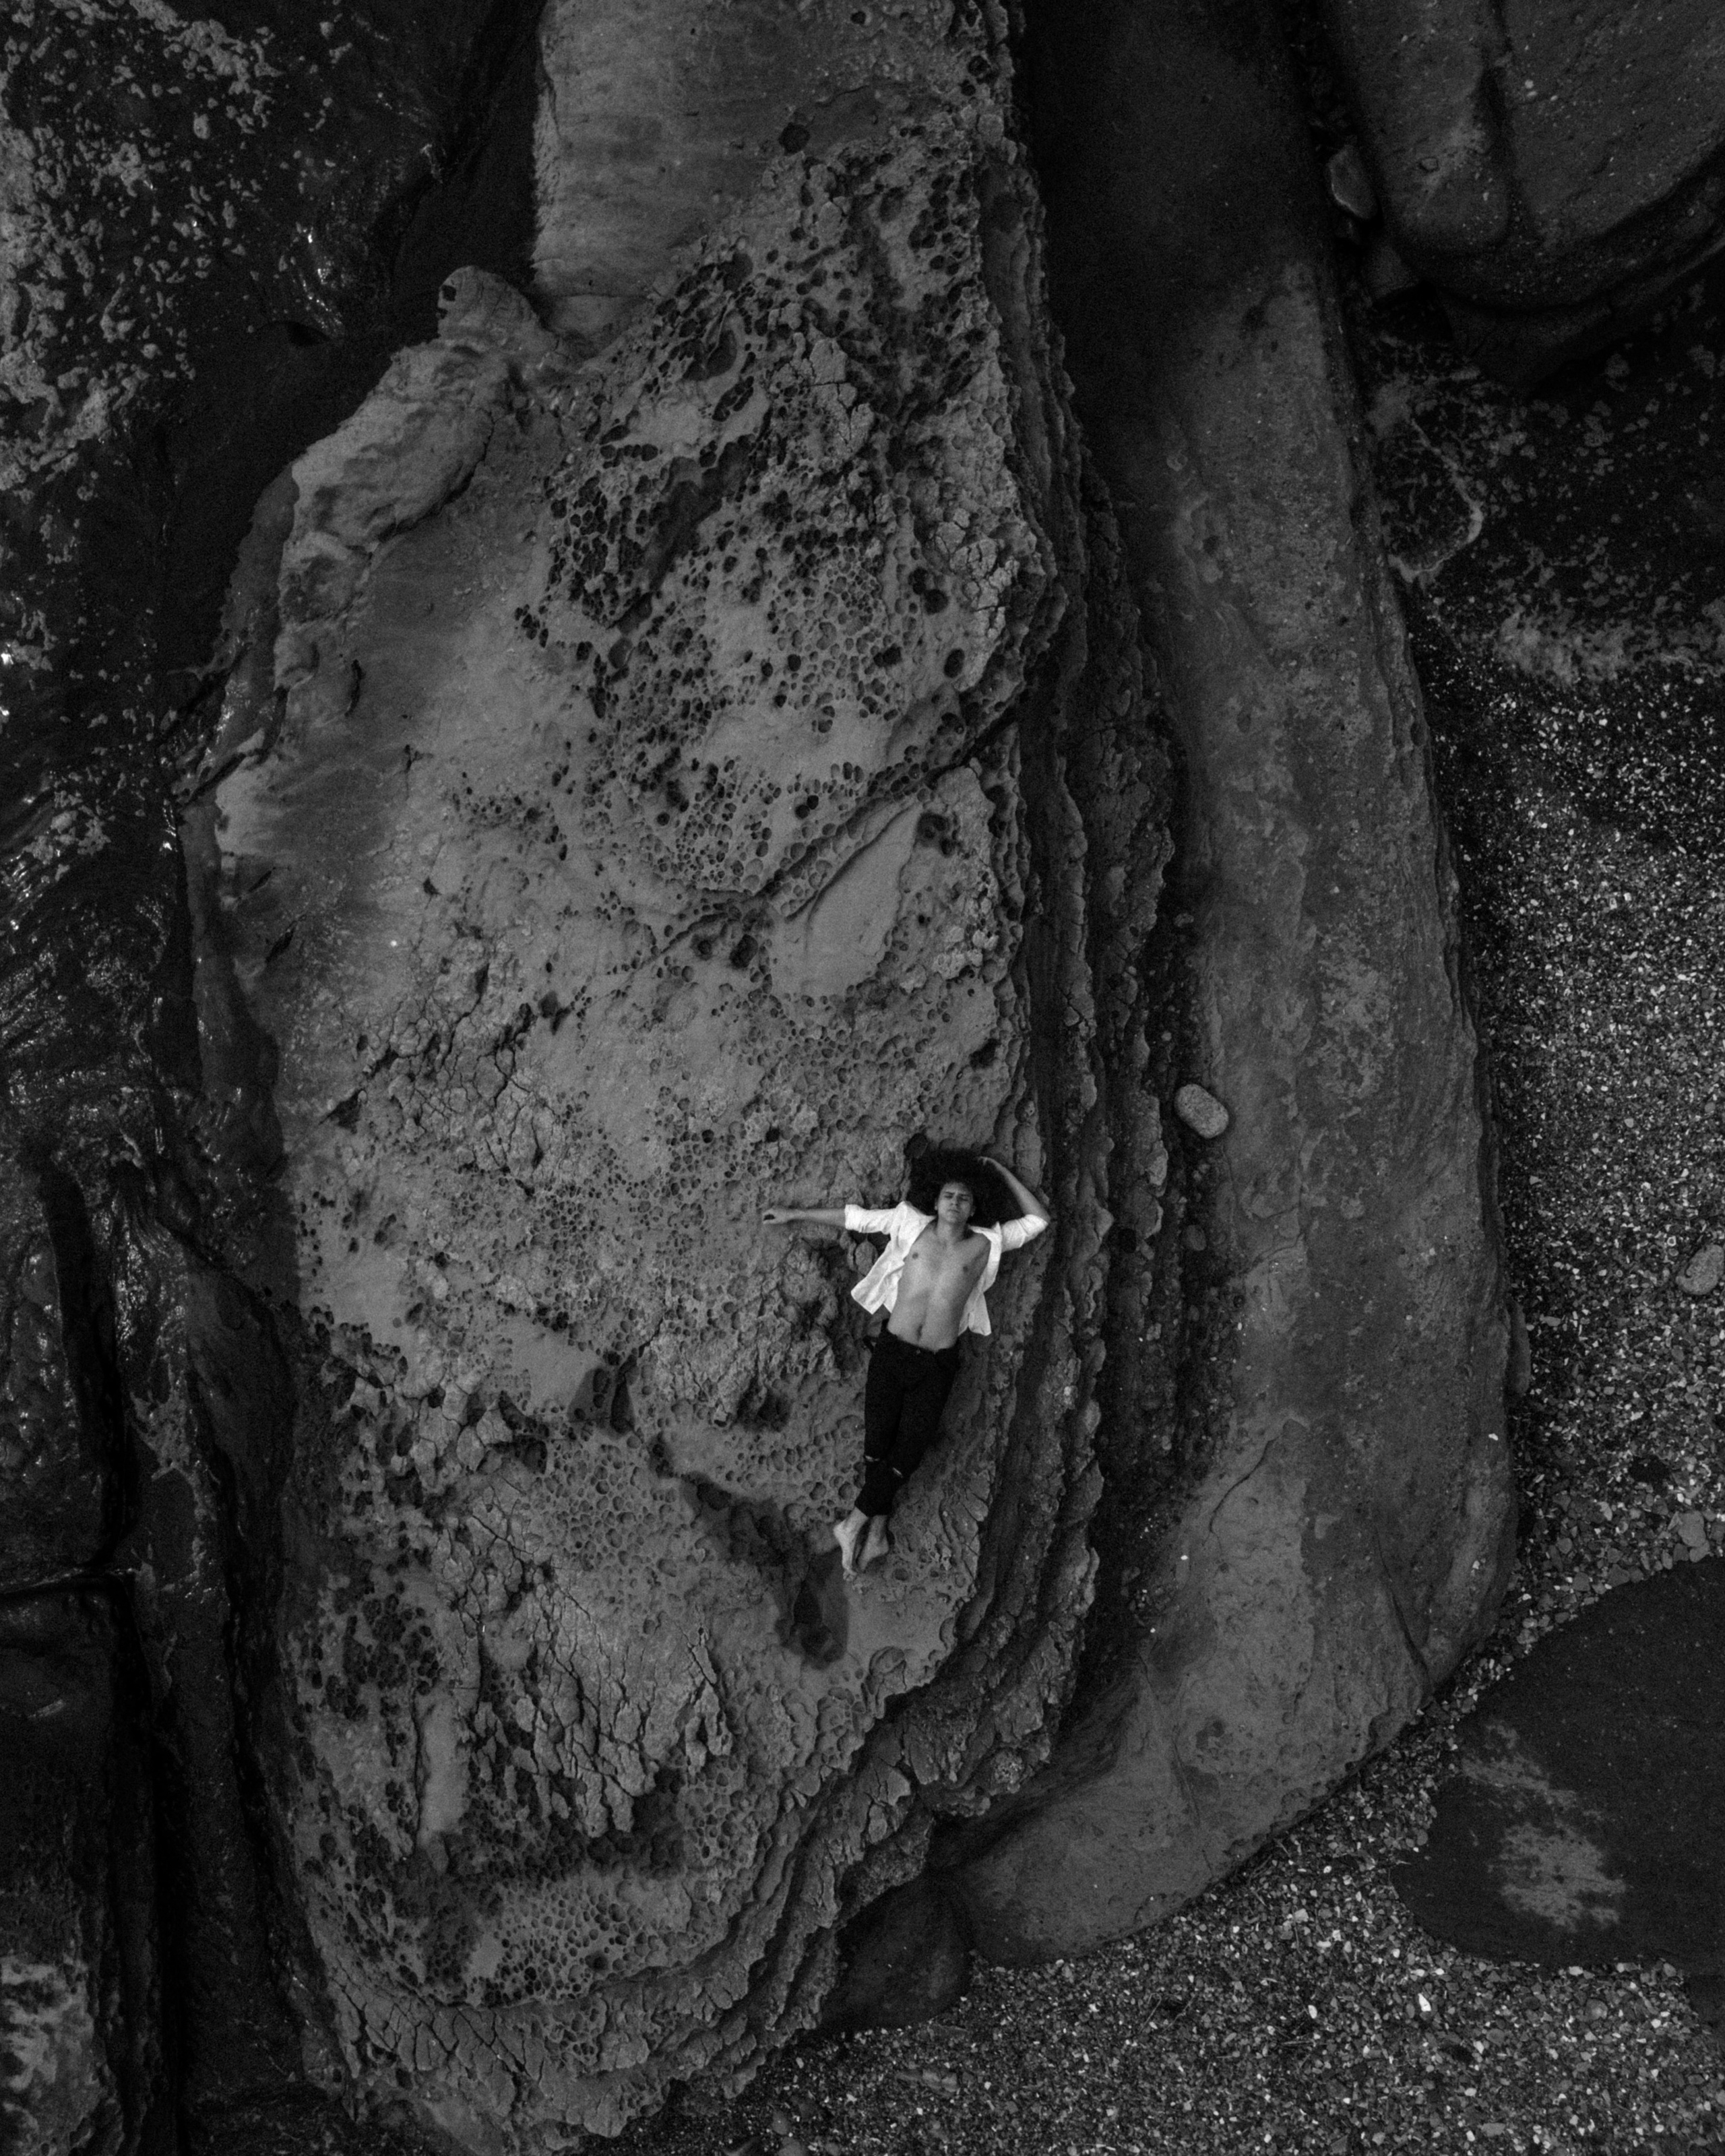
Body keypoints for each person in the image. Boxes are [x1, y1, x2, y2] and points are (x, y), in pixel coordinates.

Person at [763, 1148, 1051, 1577]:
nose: (955, 1203)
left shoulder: (986, 1245)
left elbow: (1038, 1221)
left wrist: (1004, 1173)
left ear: (975, 1208)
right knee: (878, 1451)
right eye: (948, 1196)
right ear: (934, 1202)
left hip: (938, 1364)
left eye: (964, 1199)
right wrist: (792, 1213)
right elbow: (855, 1218)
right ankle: (875, 1536)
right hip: (892, 1352)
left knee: (907, 1455)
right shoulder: (907, 1224)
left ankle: (851, 1525)